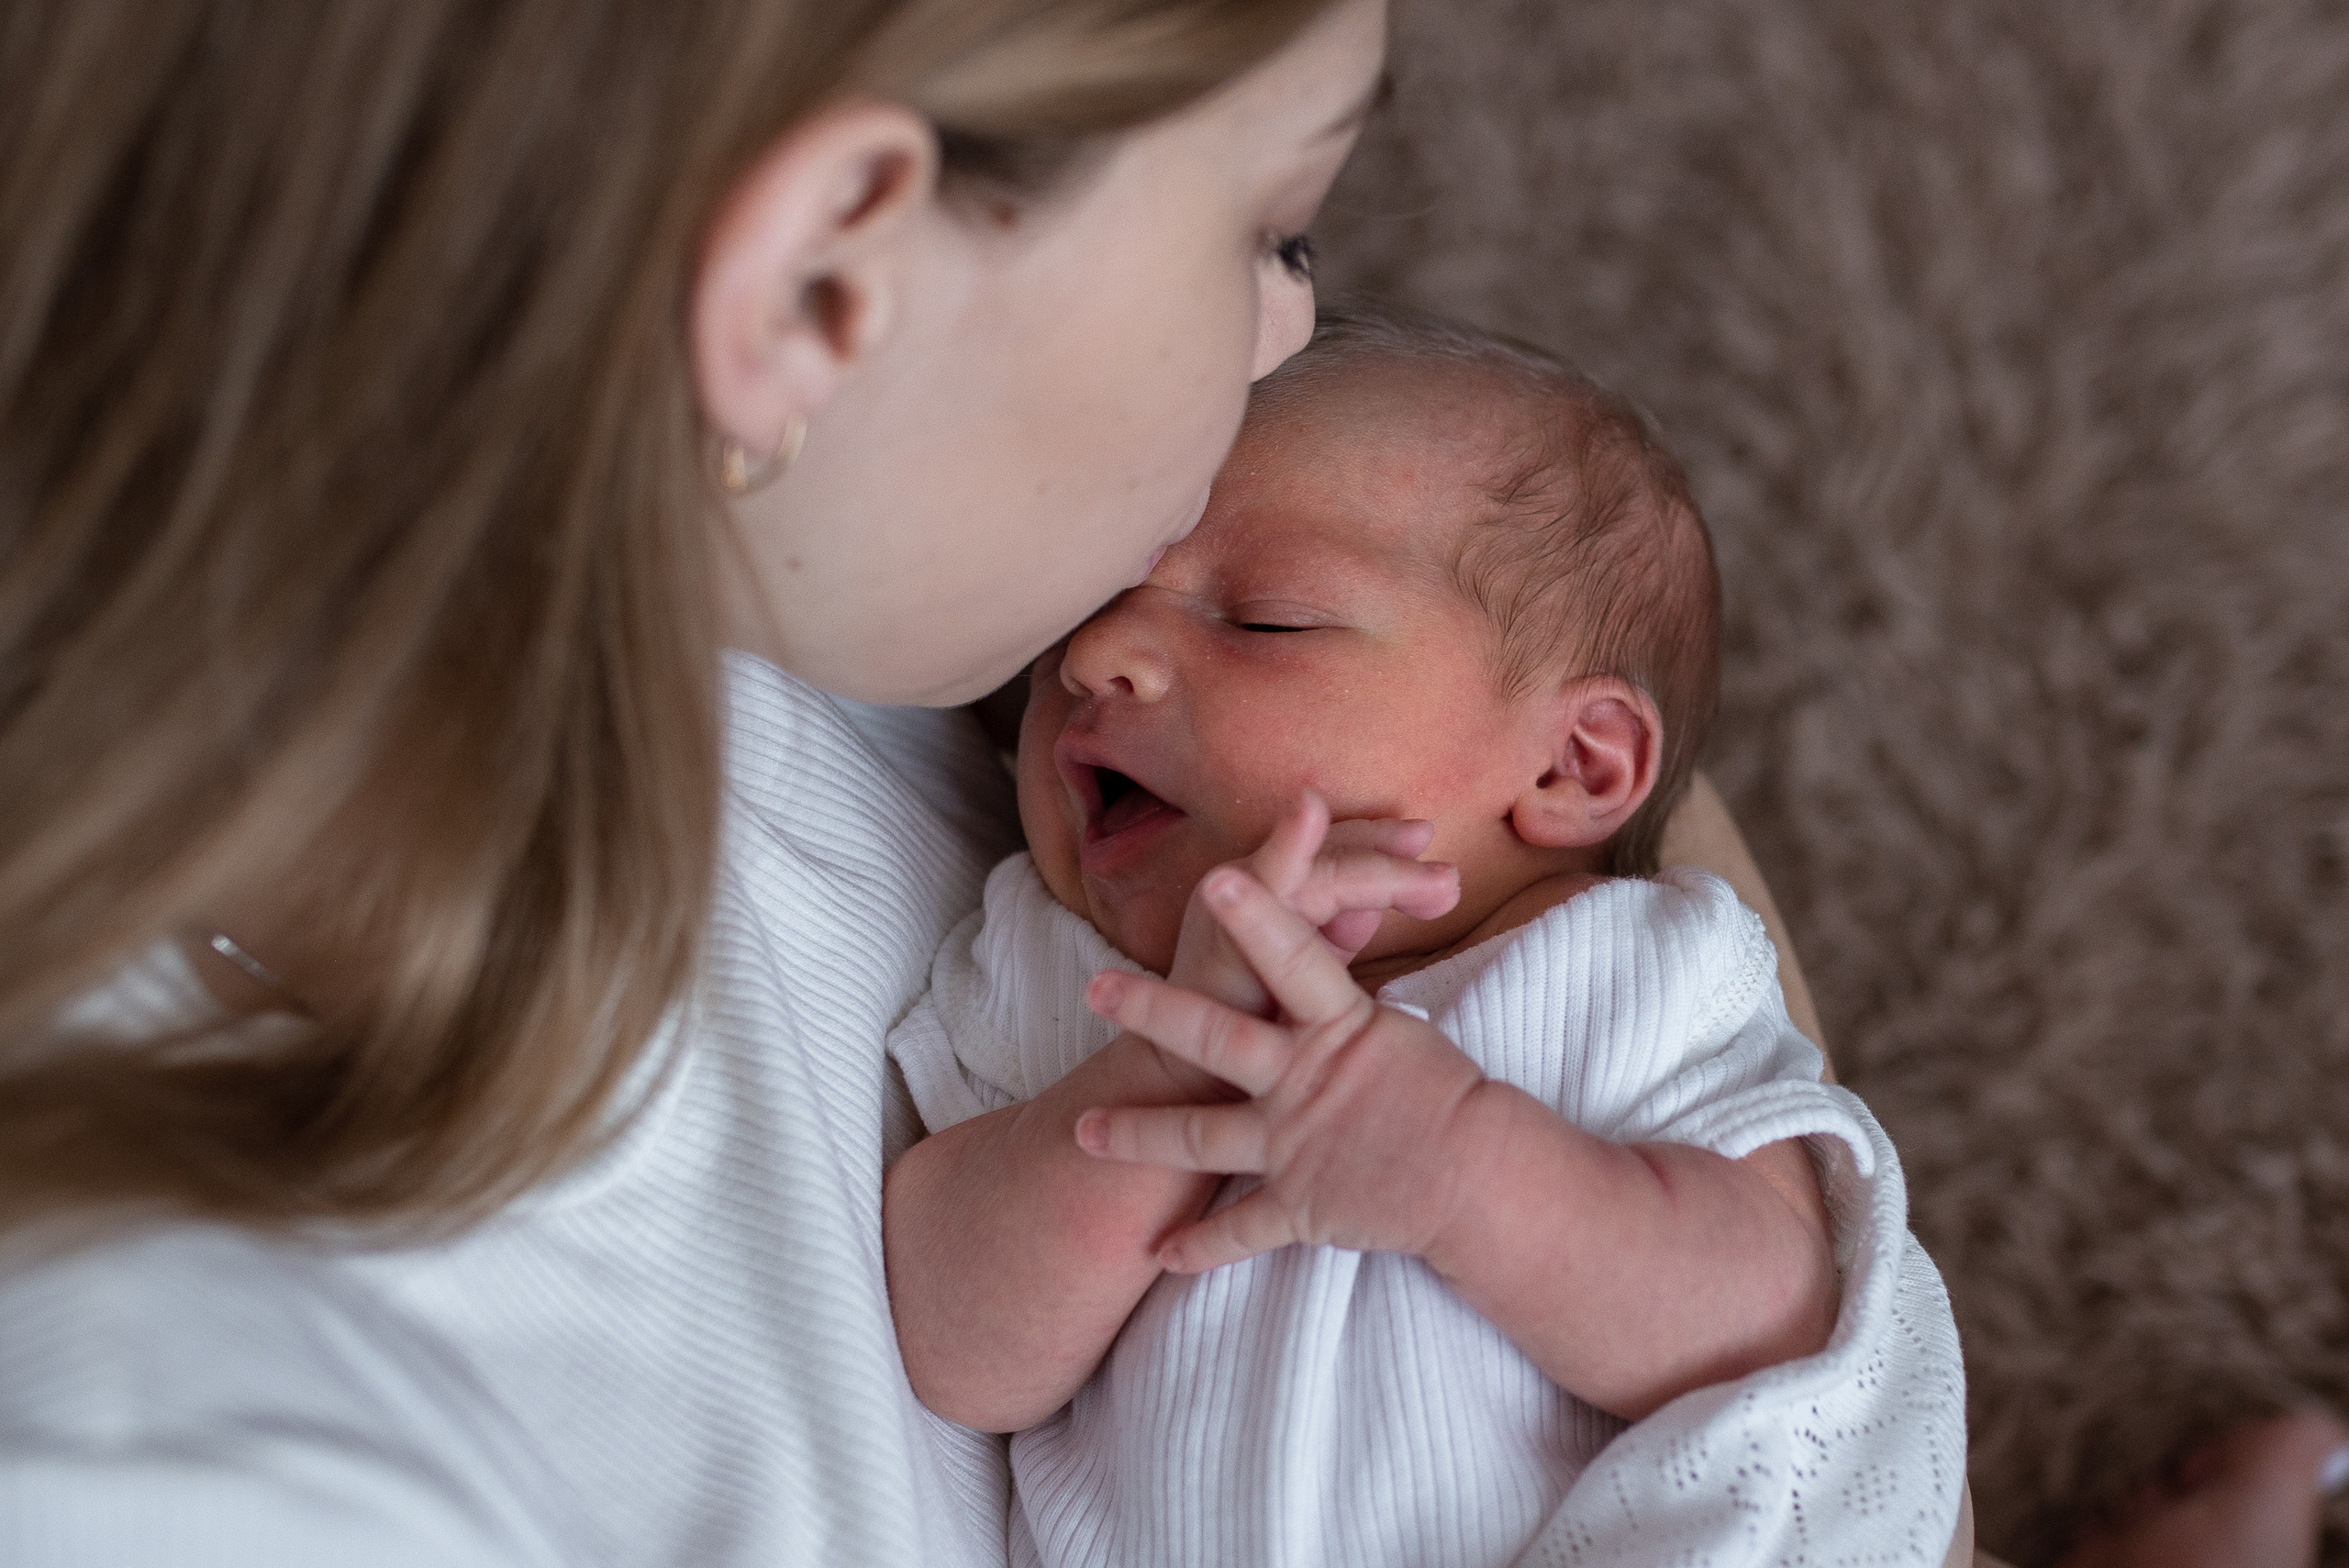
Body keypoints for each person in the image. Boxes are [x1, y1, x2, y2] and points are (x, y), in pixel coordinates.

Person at [0, 2, 2313, 1565]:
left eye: (1291, 236)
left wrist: (1454, 1142)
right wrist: (1157, 1126)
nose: (1103, 659)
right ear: (812, 290)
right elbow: (947, 1302)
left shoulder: (1579, 940)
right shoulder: (1045, 950)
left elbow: (1780, 1310)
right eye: (1265, 233)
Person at [883, 300, 1968, 1564]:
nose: (1101, 655)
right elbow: (950, 1341)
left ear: (1573, 766)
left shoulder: (1628, 965)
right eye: (1082, 615)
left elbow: (1776, 1314)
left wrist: (1468, 1172)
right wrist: (1169, 1068)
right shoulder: (1064, 968)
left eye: (1264, 618)